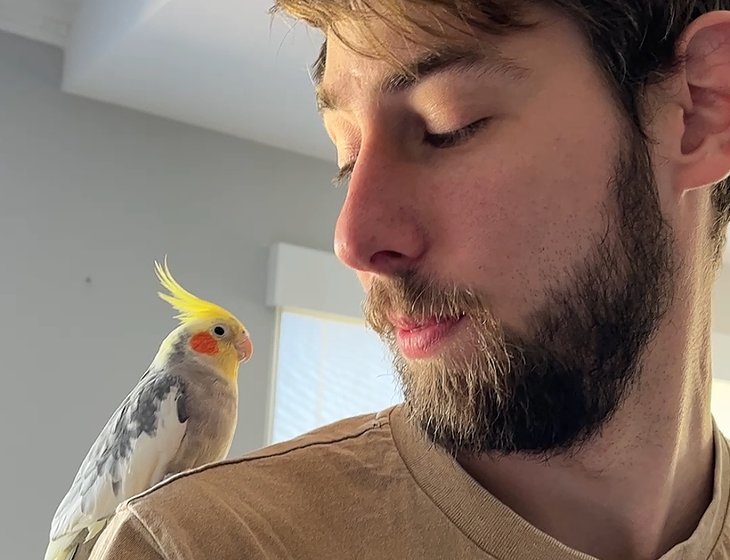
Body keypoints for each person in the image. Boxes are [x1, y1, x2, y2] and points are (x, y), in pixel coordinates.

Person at [90, 1, 730, 559]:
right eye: (347, 159)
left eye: (449, 127)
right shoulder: (194, 546)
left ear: (701, 109)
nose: (352, 242)